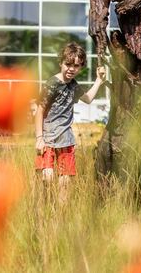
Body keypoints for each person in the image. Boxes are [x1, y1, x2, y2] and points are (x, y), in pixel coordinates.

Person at [35, 42, 106, 193]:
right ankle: (41, 214)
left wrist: (99, 80)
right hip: (48, 139)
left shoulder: (73, 85)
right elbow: (40, 110)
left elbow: (87, 99)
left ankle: (61, 215)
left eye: (76, 66)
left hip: (66, 140)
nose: (72, 69)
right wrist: (39, 138)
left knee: (65, 183)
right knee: (46, 179)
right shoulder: (52, 84)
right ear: (61, 62)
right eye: (68, 64)